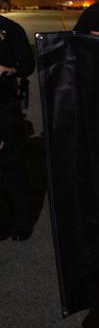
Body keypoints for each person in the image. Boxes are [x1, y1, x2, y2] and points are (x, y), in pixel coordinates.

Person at [0, 14, 35, 241]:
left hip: (4, 106)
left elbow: (28, 65)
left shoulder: (11, 29)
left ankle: (22, 223)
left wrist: (9, 70)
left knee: (12, 166)